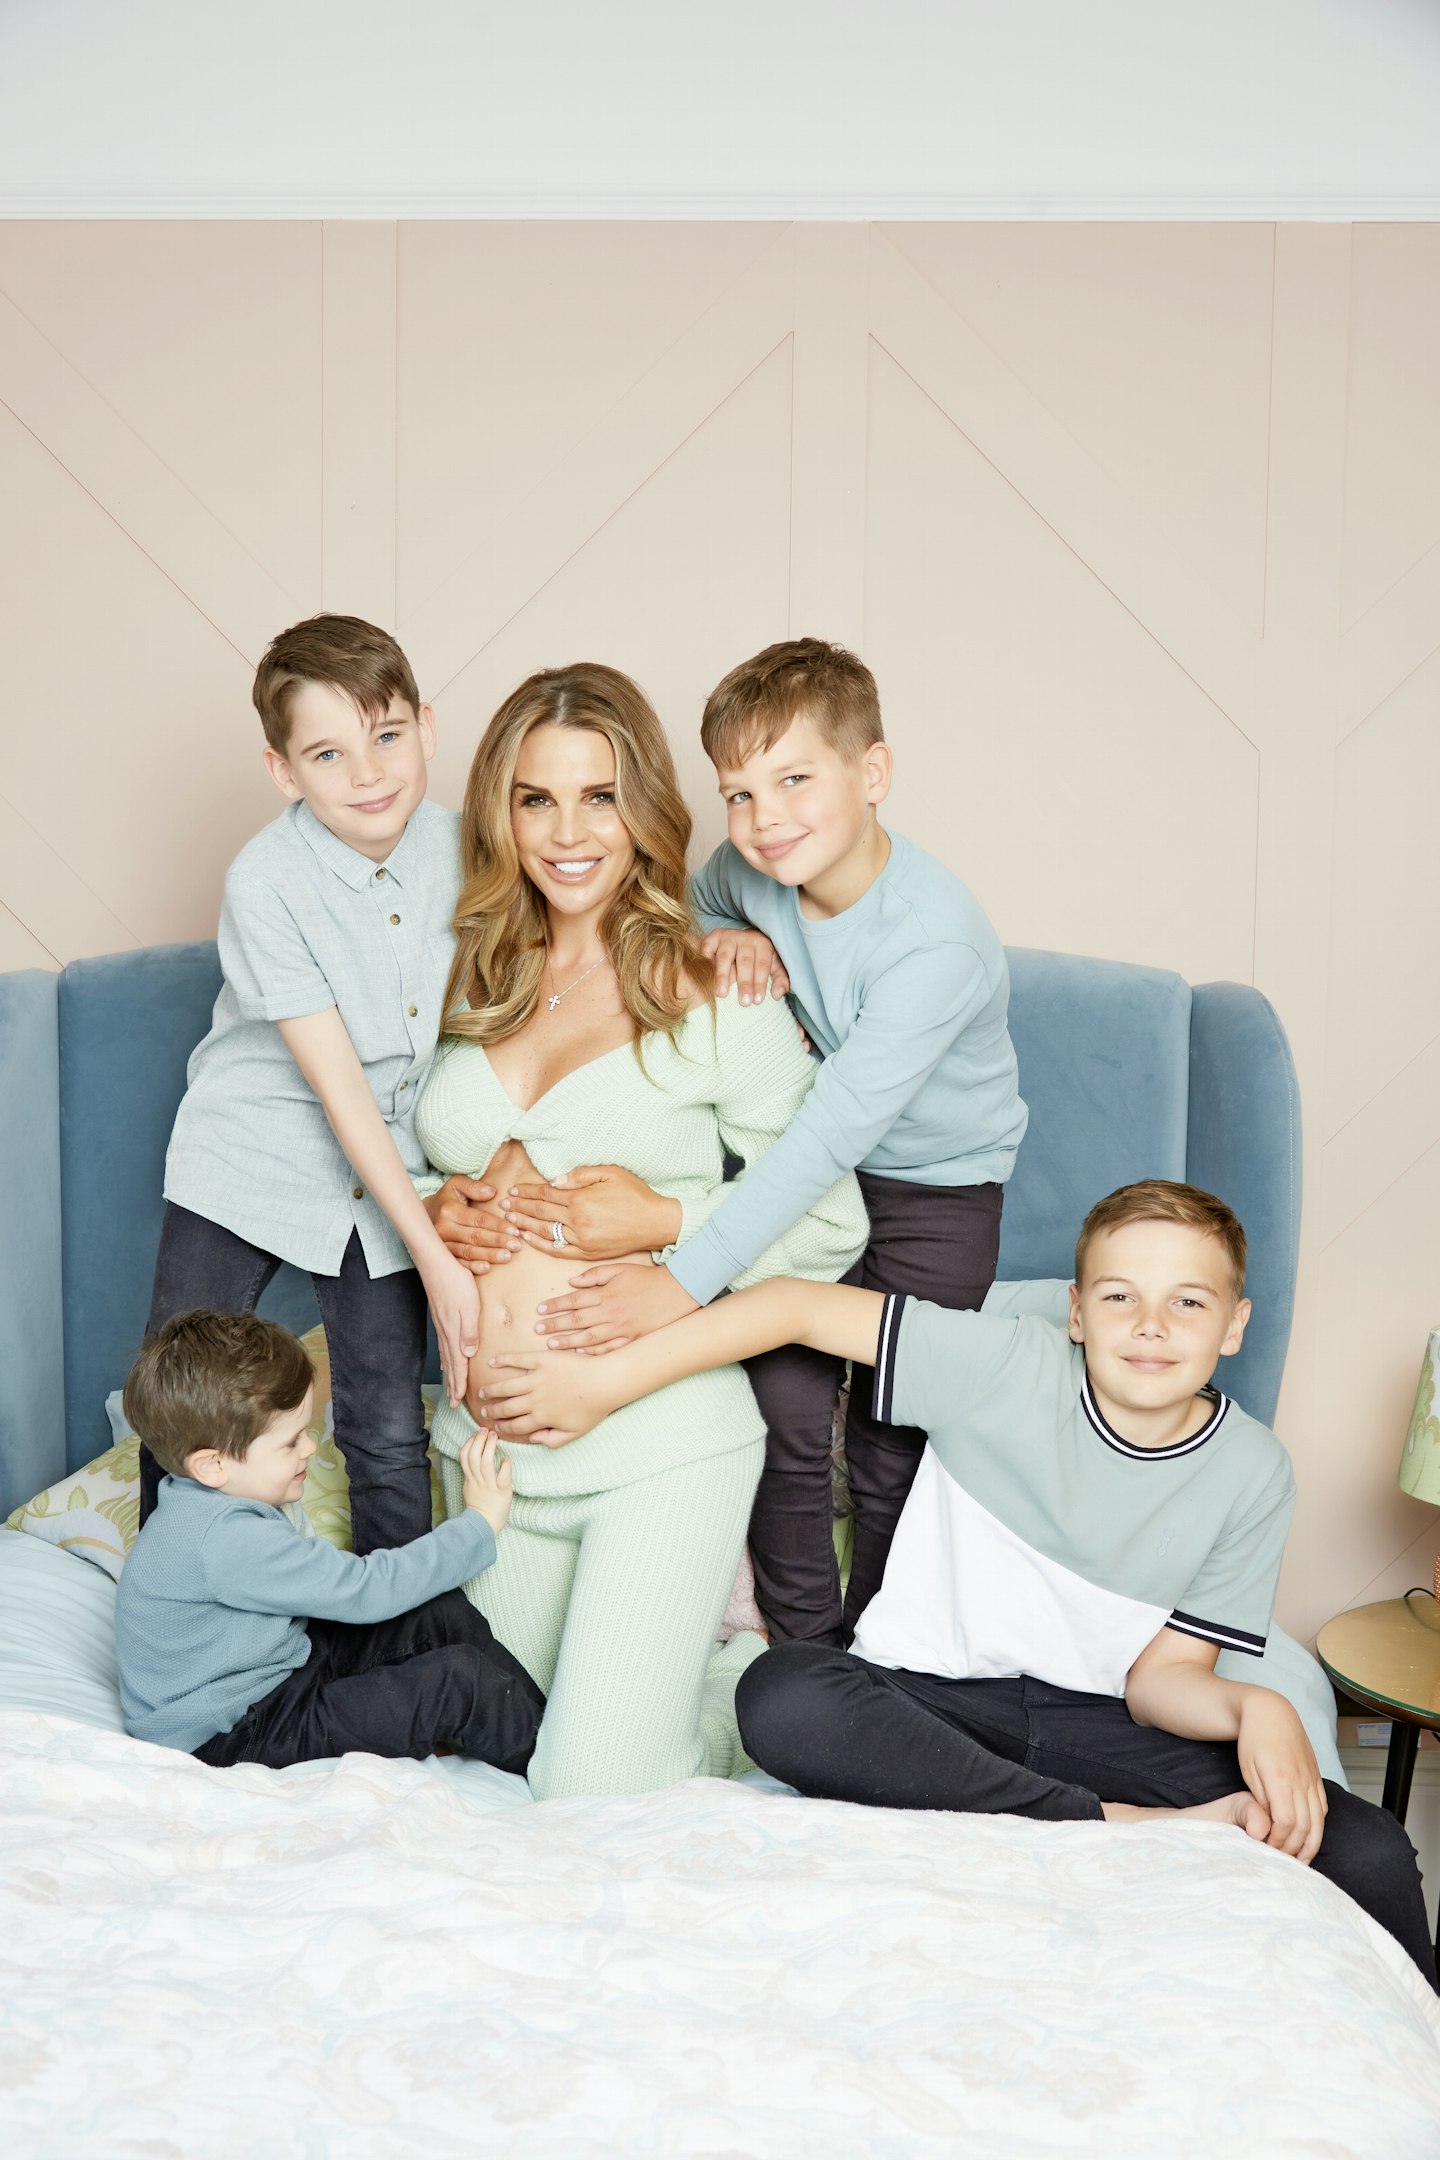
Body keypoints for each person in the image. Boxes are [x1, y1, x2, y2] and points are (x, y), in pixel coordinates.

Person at [468, 1179, 1436, 1983]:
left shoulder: (1254, 1470)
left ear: (1234, 1325)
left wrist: (1256, 1708)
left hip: (1104, 1724)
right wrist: (599, 1384)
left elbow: (1162, 1680)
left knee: (1365, 1847)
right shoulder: (1001, 1362)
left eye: (1188, 1302)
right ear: (1075, 1312)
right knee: (784, 1692)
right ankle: (1123, 1827)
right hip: (933, 1701)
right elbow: (793, 1306)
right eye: (1119, 1297)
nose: (1151, 1326)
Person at [488, 638, 1027, 1650]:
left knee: (892, 1434)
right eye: (738, 794)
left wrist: (684, 1281)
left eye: (794, 781)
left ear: (873, 773)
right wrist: (723, 933)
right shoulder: (753, 868)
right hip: (805, 1174)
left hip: (932, 1192)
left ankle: (887, 1649)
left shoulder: (933, 945)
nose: (764, 818)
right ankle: (804, 1646)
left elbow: (828, 1136)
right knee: (783, 1406)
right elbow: (687, 906)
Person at [415, 662, 868, 1799]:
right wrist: (430, 1203)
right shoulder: (461, 972)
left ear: (646, 810)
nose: (568, 833)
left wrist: (665, 1220)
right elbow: (389, 1148)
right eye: (537, 799)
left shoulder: (717, 990)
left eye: (601, 798)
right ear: (501, 813)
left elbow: (831, 1223)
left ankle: (756, 1704)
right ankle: (684, 1681)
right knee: (488, 1758)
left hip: (657, 1440)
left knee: (588, 1790)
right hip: (491, 1453)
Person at [145, 613, 481, 1557]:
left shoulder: (474, 849)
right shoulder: (265, 880)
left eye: (387, 736)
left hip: (388, 1165)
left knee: (385, 1419)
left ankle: (397, 1626)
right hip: (250, 1149)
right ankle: (176, 1603)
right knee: (179, 1403)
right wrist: (435, 1258)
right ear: (283, 770)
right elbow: (339, 1091)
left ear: (426, 725)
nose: (369, 774)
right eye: (329, 754)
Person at [115, 1310, 544, 1772]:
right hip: (236, 1732)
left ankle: (543, 1728)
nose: (309, 1448)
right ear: (212, 1465)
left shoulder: (209, 1500)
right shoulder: (225, 1539)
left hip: (274, 1671)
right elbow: (366, 1589)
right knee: (456, 1684)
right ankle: (559, 1767)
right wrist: (479, 1524)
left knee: (438, 1613)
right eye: (290, 1442)